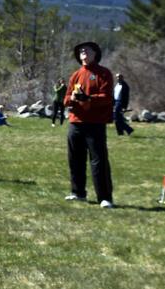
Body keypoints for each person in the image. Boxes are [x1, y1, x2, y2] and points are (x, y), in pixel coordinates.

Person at [64, 41, 115, 208]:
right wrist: (72, 99)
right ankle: (78, 193)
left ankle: (104, 197)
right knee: (75, 159)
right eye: (80, 51)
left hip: (95, 123)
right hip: (76, 123)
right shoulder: (76, 75)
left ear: (95, 53)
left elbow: (107, 97)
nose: (83, 52)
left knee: (98, 160)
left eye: (87, 49)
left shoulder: (103, 73)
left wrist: (88, 99)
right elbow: (65, 99)